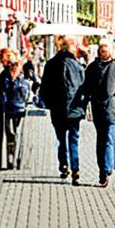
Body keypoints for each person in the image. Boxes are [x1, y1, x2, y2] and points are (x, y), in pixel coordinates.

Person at [80, 37, 115, 187]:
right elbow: (86, 87)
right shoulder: (92, 67)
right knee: (100, 140)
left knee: (109, 138)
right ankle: (103, 171)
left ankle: (107, 168)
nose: (103, 53)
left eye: (106, 51)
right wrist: (83, 104)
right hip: (97, 107)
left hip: (111, 108)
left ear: (110, 51)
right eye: (101, 51)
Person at [39, 35, 86, 184]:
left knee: (61, 139)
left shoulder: (50, 64)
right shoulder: (78, 66)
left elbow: (44, 88)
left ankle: (64, 165)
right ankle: (75, 169)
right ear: (72, 47)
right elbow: (84, 88)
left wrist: (49, 104)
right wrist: (82, 106)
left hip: (57, 110)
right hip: (74, 110)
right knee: (74, 139)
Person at [0, 47, 31, 170]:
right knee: (12, 134)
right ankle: (12, 158)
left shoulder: (10, 74)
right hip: (13, 108)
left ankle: (12, 158)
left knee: (11, 134)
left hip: (10, 108)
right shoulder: (11, 73)